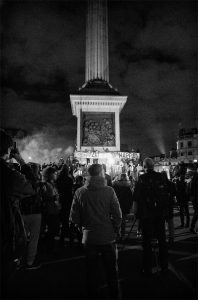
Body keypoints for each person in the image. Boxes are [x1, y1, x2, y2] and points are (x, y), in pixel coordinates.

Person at [70, 164, 122, 299]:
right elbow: (117, 214)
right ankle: (114, 295)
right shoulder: (109, 191)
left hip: (89, 237)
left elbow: (74, 217)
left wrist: (81, 228)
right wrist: (116, 227)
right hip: (107, 236)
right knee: (111, 271)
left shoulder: (80, 192)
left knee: (91, 272)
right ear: (101, 173)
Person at [0, 129, 35, 280]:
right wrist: (21, 161)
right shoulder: (9, 176)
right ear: (7, 150)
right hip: (4, 235)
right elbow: (31, 187)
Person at [133, 158, 168, 276]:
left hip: (146, 214)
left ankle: (147, 268)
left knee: (146, 241)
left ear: (144, 166)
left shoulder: (142, 178)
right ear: (153, 166)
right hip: (159, 213)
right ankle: (164, 266)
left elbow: (136, 197)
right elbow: (167, 193)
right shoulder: (161, 177)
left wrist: (136, 212)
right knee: (162, 240)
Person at [20, 162, 43, 269]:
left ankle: (18, 260)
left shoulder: (18, 181)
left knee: (21, 238)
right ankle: (30, 261)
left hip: (21, 212)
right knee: (33, 239)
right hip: (35, 213)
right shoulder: (37, 182)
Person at [42, 166, 61, 254]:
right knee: (51, 230)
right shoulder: (45, 184)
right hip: (50, 210)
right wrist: (54, 198)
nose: (56, 175)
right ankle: (49, 249)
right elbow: (44, 197)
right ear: (50, 174)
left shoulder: (52, 183)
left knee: (53, 230)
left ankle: (50, 247)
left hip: (54, 210)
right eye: (55, 173)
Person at [56, 164, 73, 246]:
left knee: (61, 218)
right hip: (67, 200)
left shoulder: (58, 179)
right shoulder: (69, 179)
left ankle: (61, 238)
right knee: (66, 219)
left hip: (60, 200)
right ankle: (67, 238)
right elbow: (70, 190)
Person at [113, 173, 133, 240]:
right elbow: (130, 198)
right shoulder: (127, 187)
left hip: (116, 205)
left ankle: (117, 234)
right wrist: (130, 206)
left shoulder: (115, 185)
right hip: (124, 205)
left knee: (116, 219)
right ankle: (122, 235)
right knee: (123, 221)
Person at [161, 171, 176, 245]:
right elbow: (174, 193)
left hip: (162, 205)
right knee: (170, 222)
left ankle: (164, 237)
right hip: (169, 204)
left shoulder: (160, 184)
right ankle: (171, 237)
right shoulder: (171, 184)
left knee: (162, 222)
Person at [187, 167, 198, 233]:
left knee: (196, 213)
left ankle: (192, 227)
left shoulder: (192, 181)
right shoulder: (195, 181)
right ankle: (192, 227)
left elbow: (190, 191)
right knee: (196, 213)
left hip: (194, 199)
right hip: (196, 199)